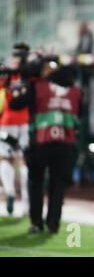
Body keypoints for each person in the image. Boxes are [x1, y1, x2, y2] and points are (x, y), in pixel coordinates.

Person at [11, 56, 81, 234]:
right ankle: (53, 224)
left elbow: (15, 104)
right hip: (65, 144)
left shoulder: (36, 87)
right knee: (57, 186)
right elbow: (81, 114)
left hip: (39, 143)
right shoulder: (76, 91)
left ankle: (36, 223)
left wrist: (23, 83)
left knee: (35, 183)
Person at [0, 43, 30, 216]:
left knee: (5, 159)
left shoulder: (7, 73)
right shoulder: (30, 73)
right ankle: (26, 203)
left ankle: (10, 190)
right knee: (23, 161)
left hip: (8, 121)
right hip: (24, 122)